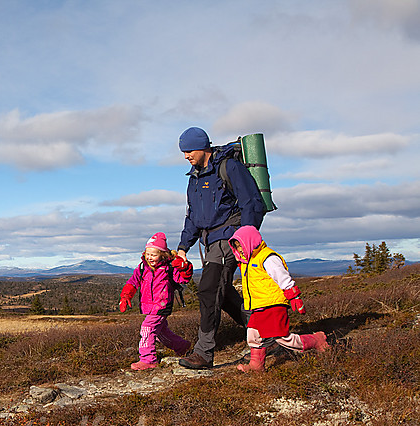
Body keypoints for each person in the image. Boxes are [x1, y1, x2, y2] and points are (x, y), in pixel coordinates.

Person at [175, 127, 266, 369]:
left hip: (229, 237)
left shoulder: (229, 168)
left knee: (208, 289)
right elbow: (193, 216)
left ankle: (203, 352)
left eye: (189, 150)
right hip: (209, 241)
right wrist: (184, 246)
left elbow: (251, 202)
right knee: (222, 294)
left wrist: (246, 237)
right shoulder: (194, 178)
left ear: (203, 147)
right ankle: (266, 332)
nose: (186, 156)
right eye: (183, 152)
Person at [229, 226, 328, 372]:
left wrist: (294, 296)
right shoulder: (247, 262)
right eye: (237, 247)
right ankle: (256, 366)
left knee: (281, 337)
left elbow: (283, 278)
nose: (241, 250)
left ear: (250, 242)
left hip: (272, 304)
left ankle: (316, 341)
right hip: (258, 306)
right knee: (253, 335)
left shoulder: (267, 257)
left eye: (241, 246)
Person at [119, 232, 193, 370]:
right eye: (148, 254)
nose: (150, 257)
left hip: (162, 305)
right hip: (149, 307)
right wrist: (126, 296)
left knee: (147, 328)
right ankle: (182, 347)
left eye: (154, 254)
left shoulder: (169, 268)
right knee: (160, 333)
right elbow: (133, 282)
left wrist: (185, 267)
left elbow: (183, 279)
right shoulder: (142, 268)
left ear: (163, 254)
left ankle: (148, 360)